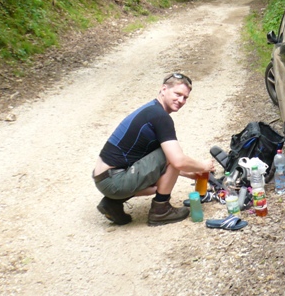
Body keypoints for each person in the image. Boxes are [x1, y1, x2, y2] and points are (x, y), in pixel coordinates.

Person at [92, 73, 215, 226]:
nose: (181, 100)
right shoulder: (160, 117)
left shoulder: (151, 109)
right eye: (177, 94)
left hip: (104, 177)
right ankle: (161, 211)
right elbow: (177, 160)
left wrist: (189, 174)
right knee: (170, 155)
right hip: (114, 181)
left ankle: (112, 204)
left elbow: (159, 164)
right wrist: (203, 166)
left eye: (185, 97)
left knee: (166, 157)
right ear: (164, 89)